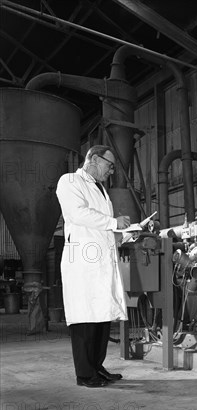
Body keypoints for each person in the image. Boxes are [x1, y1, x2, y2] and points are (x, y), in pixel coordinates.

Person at [56, 145, 130, 388]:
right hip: (83, 264)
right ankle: (85, 374)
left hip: (101, 262)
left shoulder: (101, 190)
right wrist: (112, 222)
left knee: (101, 317)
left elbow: (103, 230)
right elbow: (78, 214)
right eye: (109, 165)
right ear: (94, 159)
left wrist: (124, 234)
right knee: (85, 319)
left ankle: (97, 367)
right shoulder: (69, 181)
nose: (111, 170)